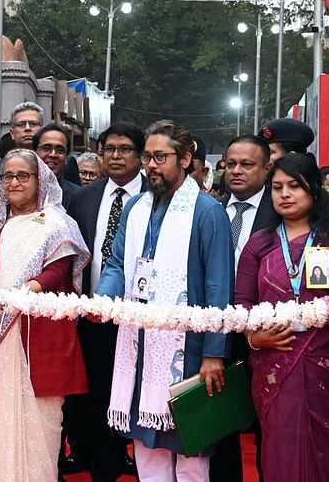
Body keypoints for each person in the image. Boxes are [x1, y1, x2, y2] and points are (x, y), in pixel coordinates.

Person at [95, 120, 233, 482]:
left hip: (188, 348)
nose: (151, 166)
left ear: (186, 159)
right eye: (147, 157)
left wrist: (214, 353)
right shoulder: (136, 207)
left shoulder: (207, 211)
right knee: (147, 447)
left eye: (160, 157)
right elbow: (116, 264)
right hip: (140, 344)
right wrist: (102, 300)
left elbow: (220, 287)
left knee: (190, 450)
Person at [0, 148, 89, 481]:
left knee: (41, 422)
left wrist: (27, 290)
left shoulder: (57, 222)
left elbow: (60, 268)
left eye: (23, 176)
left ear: (40, 179)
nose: (14, 183)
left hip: (36, 335)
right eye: (7, 176)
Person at [237, 153, 329, 482]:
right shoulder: (258, 245)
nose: (284, 194)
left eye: (295, 186)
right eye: (277, 187)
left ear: (315, 191)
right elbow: (242, 306)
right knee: (280, 448)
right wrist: (253, 339)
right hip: (274, 363)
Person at [67, 121, 147, 481]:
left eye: (124, 149)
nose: (115, 156)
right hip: (93, 315)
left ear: (141, 156)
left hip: (142, 316)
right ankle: (105, 464)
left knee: (139, 391)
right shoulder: (84, 197)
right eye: (109, 149)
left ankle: (138, 454)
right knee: (99, 392)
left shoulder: (155, 196)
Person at [212, 134, 278, 482]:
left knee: (268, 426)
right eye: (230, 164)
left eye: (247, 165)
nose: (236, 171)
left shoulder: (281, 211)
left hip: (265, 333)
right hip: (217, 332)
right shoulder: (210, 209)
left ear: (267, 168)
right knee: (220, 423)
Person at [0, 102, 44, 185]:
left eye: (33, 124)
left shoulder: (52, 164)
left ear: (43, 131)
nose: (27, 128)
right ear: (12, 133)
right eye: (21, 124)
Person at [33, 124, 80, 208]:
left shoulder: (78, 196)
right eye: (46, 148)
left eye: (60, 150)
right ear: (34, 153)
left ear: (66, 158)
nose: (53, 154)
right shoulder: (18, 190)